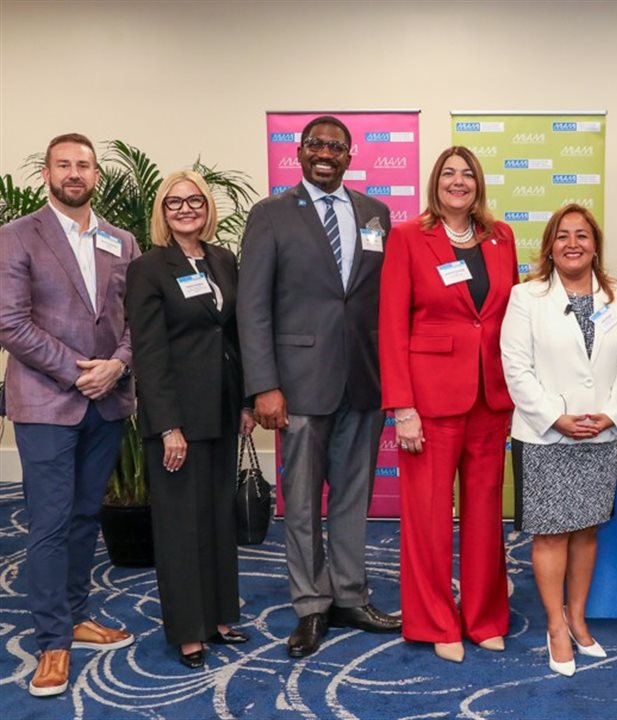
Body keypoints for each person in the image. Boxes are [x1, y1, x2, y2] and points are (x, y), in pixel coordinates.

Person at [239, 115, 399, 659]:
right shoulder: (271, 215)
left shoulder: (376, 213)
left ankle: (350, 594)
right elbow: (253, 307)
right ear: (300, 153)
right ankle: (311, 605)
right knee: (303, 502)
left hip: (364, 379)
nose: (325, 153)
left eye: (336, 145)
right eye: (315, 145)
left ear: (351, 156)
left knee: (354, 498)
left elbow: (379, 300)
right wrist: (264, 385)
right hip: (297, 385)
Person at [0, 133, 138, 697]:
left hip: (107, 401)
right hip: (46, 400)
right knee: (51, 524)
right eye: (64, 164)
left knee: (85, 517)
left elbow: (136, 319)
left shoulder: (121, 239)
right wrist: (78, 370)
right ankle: (53, 643)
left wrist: (117, 364)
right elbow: (10, 321)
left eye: (84, 165)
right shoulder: (15, 236)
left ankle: (77, 615)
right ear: (47, 173)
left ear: (97, 175)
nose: (74, 173)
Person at [379, 146, 518, 663]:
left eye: (467, 175)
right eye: (448, 175)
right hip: (430, 402)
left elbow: (509, 315)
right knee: (429, 517)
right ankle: (436, 621)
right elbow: (392, 324)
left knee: (485, 515)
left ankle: (484, 617)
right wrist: (402, 406)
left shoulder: (500, 238)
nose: (458, 183)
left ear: (478, 184)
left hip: (490, 398)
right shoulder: (408, 238)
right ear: (435, 183)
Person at [500, 204, 617, 677]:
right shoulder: (527, 296)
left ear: (595, 243)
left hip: (602, 433)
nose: (573, 243)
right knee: (552, 532)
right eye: (563, 235)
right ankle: (556, 626)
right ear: (549, 245)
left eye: (582, 234)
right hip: (546, 437)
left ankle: (579, 618)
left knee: (586, 530)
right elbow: (515, 370)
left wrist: (612, 413)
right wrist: (556, 418)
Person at [125, 170, 257, 668]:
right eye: (175, 202)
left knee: (217, 518)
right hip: (177, 416)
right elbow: (149, 352)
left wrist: (244, 402)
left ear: (207, 206)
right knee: (181, 524)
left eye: (194, 200)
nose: (185, 208)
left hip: (222, 410)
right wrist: (166, 426)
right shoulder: (150, 268)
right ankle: (187, 630)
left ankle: (221, 615)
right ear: (163, 211)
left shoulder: (222, 259)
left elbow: (235, 335)